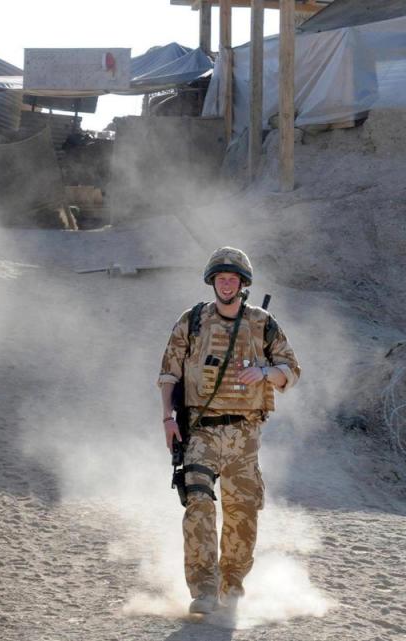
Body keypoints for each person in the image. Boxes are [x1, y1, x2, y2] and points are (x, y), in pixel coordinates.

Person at [157, 247, 301, 614]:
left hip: (244, 434)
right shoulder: (192, 322)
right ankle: (203, 590)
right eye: (220, 279)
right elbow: (169, 374)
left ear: (242, 284)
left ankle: (231, 585)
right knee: (199, 506)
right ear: (212, 282)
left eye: (232, 279)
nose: (225, 284)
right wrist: (168, 419)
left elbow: (291, 370)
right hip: (201, 431)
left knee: (243, 512)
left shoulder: (261, 323)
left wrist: (265, 373)